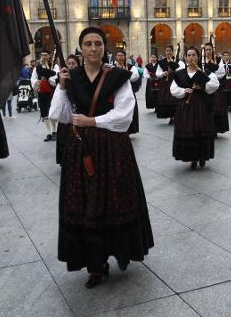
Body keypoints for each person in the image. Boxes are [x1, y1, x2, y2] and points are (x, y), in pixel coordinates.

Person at [49, 27, 153, 289]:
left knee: (114, 201)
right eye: (87, 44)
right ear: (80, 48)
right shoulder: (70, 78)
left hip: (112, 150)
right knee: (86, 205)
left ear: (104, 47)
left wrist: (91, 120)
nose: (93, 48)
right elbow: (58, 115)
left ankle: (120, 250)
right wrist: (61, 88)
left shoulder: (117, 76)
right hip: (80, 151)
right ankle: (95, 265)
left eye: (97, 43)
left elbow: (125, 115)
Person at [170, 46, 220, 169]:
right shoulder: (180, 73)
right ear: (185, 58)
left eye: (194, 55)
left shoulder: (204, 71)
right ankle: (192, 157)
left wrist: (202, 86)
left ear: (198, 57)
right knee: (189, 130)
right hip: (185, 108)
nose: (191, 57)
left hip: (201, 106)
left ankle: (202, 156)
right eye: (189, 55)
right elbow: (173, 89)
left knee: (201, 129)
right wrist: (184, 90)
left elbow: (215, 85)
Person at [52, 54, 80, 165]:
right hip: (66, 115)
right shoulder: (61, 79)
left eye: (73, 63)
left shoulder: (81, 78)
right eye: (69, 63)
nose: (71, 65)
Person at [32, 50, 59, 141]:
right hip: (42, 92)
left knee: (51, 111)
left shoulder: (54, 65)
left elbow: (56, 78)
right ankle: (50, 132)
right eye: (42, 55)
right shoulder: (38, 67)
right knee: (44, 113)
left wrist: (48, 77)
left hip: (51, 92)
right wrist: (37, 82)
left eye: (45, 55)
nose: (44, 56)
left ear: (49, 56)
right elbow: (33, 79)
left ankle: (55, 131)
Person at [202, 42, 228, 134]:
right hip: (205, 88)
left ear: (212, 50)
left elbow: (222, 72)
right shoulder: (202, 60)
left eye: (209, 49)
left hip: (216, 89)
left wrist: (211, 73)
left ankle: (216, 129)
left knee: (216, 108)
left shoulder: (218, 59)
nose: (208, 51)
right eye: (206, 50)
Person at [155, 45, 185, 124]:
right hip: (165, 83)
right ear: (165, 52)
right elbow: (157, 73)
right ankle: (171, 117)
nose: (168, 52)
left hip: (175, 82)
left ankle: (176, 116)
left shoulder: (178, 61)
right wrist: (163, 73)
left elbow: (183, 70)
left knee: (175, 99)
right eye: (167, 51)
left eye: (170, 51)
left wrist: (174, 70)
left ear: (172, 51)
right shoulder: (161, 62)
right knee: (167, 100)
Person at [114, 49, 140, 135]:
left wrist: (126, 72)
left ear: (125, 57)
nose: (120, 57)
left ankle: (129, 130)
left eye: (122, 55)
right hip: (116, 92)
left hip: (128, 92)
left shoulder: (131, 66)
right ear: (116, 57)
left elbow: (135, 77)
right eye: (118, 55)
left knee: (130, 111)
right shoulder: (113, 67)